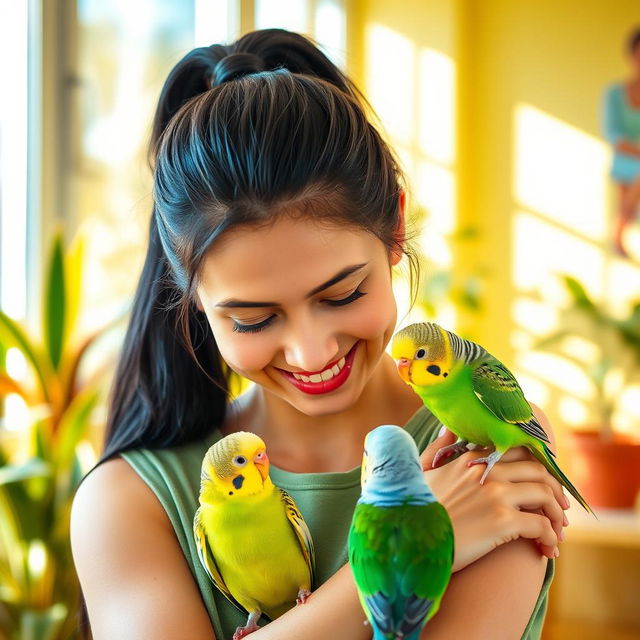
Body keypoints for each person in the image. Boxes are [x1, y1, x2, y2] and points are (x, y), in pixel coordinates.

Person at [70, 28, 568, 640]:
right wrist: (393, 547)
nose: (312, 353)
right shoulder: (129, 503)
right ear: (194, 300)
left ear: (394, 229)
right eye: (253, 319)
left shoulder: (488, 453)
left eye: (343, 294)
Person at [602, 26, 640, 258]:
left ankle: (620, 223)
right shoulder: (614, 93)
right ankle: (621, 226)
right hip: (625, 159)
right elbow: (614, 135)